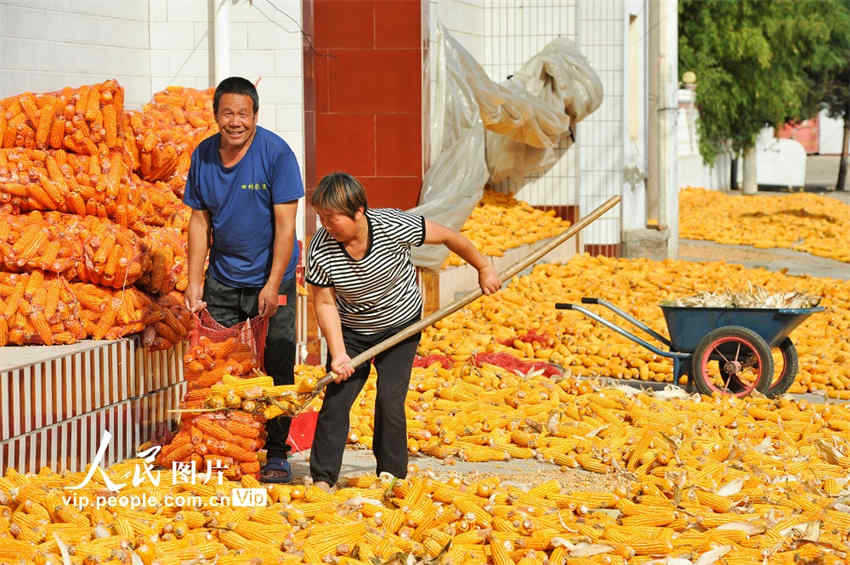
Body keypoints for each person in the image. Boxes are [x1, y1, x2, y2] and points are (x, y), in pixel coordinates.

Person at [306, 172, 502, 490]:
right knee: (337, 400)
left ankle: (392, 475)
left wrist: (484, 267)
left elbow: (449, 237)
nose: (326, 225)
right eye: (321, 218)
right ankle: (323, 477)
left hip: (400, 325)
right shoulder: (321, 248)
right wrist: (339, 353)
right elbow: (325, 303)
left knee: (390, 398)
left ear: (358, 212)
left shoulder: (393, 225)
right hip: (353, 331)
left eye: (332, 218)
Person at [183, 76, 303, 484]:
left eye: (243, 114)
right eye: (227, 113)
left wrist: (272, 284)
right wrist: (194, 281)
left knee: (278, 361)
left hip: (272, 279)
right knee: (216, 366)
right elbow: (199, 221)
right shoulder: (203, 156)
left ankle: (277, 450)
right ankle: (224, 447)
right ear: (216, 115)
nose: (235, 122)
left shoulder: (277, 154)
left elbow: (286, 227)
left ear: (255, 115)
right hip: (223, 278)